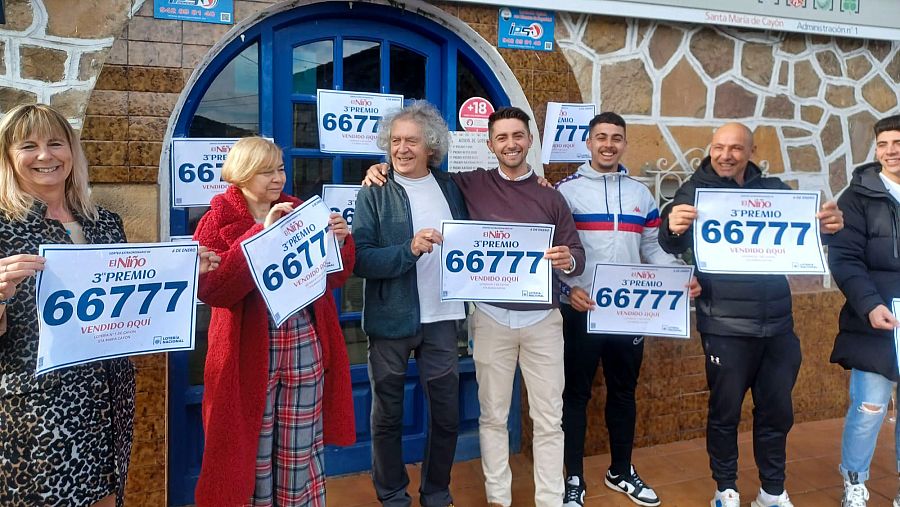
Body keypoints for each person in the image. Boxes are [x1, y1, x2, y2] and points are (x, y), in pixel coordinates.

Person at [366, 106, 585, 507]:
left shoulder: (537, 194)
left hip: (526, 318)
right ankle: (488, 499)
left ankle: (545, 500)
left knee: (539, 418)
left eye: (517, 136)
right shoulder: (458, 185)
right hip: (473, 318)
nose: (510, 144)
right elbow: (365, 251)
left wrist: (568, 261)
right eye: (501, 137)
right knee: (481, 416)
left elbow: (576, 253)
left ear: (529, 140)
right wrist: (379, 170)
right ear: (489, 144)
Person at [0, 103, 218, 507]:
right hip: (37, 415)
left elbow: (126, 297)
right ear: (8, 157)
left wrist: (183, 272)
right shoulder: (3, 226)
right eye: (28, 146)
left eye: (56, 143)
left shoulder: (104, 222)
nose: (45, 155)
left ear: (72, 151)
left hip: (108, 402)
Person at [658, 122, 844, 507]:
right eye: (718, 147)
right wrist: (672, 228)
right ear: (710, 148)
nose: (725, 155)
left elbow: (804, 234)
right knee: (725, 413)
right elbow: (670, 239)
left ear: (751, 152)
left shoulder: (775, 191)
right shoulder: (694, 191)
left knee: (776, 414)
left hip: (778, 325)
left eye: (735, 148)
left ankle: (772, 492)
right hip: (724, 325)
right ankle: (725, 489)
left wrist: (829, 229)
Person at [193, 137, 356, 506]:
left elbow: (335, 277)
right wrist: (261, 235)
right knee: (253, 448)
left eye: (280, 169)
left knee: (300, 446)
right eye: (266, 172)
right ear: (241, 174)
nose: (277, 178)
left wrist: (342, 242)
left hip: (303, 342)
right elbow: (214, 290)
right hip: (247, 353)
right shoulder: (216, 220)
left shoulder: (298, 210)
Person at [555, 112, 700, 507]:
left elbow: (652, 247)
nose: (608, 144)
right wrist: (568, 290)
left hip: (627, 312)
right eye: (601, 137)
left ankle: (620, 470)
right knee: (575, 396)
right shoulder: (565, 192)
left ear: (624, 143)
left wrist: (679, 276)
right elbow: (553, 252)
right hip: (581, 310)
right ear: (588, 142)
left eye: (616, 138)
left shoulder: (640, 194)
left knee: (624, 392)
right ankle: (573, 478)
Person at [354, 101, 468, 507]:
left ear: (430, 147)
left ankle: (436, 492)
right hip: (391, 320)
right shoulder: (374, 191)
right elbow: (361, 259)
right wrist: (410, 249)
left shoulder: (451, 187)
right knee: (387, 416)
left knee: (447, 415)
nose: (401, 149)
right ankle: (392, 495)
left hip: (444, 318)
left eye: (412, 141)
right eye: (395, 141)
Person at [827, 114, 900, 507]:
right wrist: (870, 304)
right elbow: (845, 258)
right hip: (875, 321)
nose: (891, 151)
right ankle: (854, 483)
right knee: (869, 406)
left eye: (898, 143)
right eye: (883, 144)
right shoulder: (856, 198)